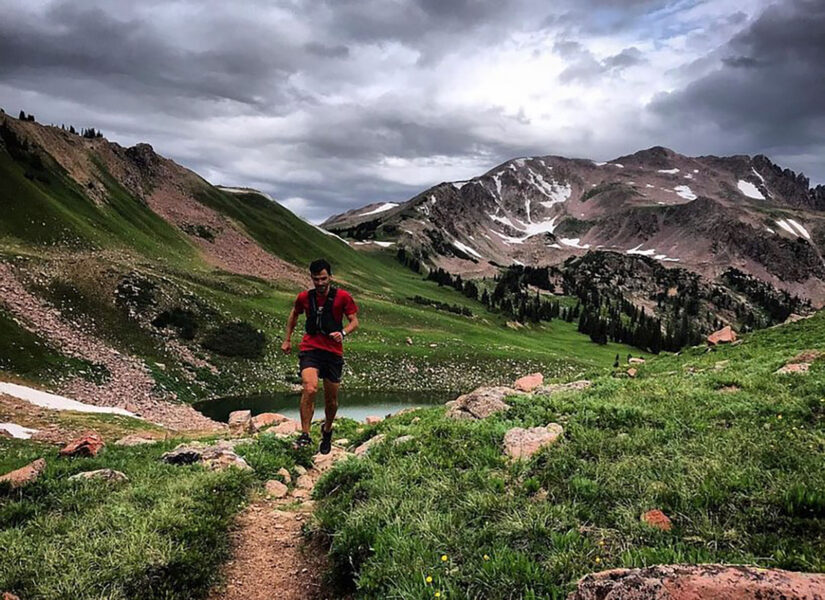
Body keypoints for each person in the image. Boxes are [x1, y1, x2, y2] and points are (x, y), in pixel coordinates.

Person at [281, 259, 359, 454]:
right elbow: (294, 314)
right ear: (311, 278)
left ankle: (327, 430)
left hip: (333, 352)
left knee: (331, 401)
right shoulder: (304, 297)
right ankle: (305, 435)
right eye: (316, 279)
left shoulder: (343, 297)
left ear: (330, 277)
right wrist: (287, 339)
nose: (320, 283)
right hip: (311, 349)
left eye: (323, 278)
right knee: (310, 387)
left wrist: (342, 333)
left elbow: (354, 321)